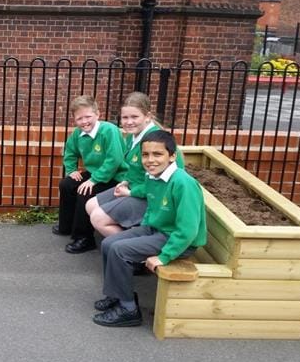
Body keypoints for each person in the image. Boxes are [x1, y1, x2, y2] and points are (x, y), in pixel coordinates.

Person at [92, 130, 206, 327]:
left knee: (120, 250)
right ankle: (117, 294)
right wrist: (141, 228)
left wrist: (164, 256)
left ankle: (128, 310)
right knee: (110, 243)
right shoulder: (153, 177)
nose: (150, 160)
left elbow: (188, 230)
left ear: (172, 156)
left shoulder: (183, 183)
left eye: (157, 154)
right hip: (156, 230)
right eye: (145, 155)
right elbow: (149, 202)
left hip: (176, 240)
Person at [86, 92, 183, 237]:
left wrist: (130, 193)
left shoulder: (155, 142)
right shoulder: (133, 136)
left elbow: (163, 184)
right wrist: (126, 181)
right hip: (135, 188)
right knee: (91, 205)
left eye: (134, 117)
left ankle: (132, 248)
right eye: (125, 117)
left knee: (98, 218)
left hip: (153, 199)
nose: (129, 122)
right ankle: (127, 236)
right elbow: (136, 169)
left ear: (148, 117)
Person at [52, 95, 128, 254]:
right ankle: (67, 225)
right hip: (96, 174)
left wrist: (94, 180)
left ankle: (84, 238)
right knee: (66, 184)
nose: (84, 121)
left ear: (98, 114)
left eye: (88, 116)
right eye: (79, 118)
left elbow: (114, 160)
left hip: (116, 177)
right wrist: (72, 170)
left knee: (85, 191)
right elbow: (70, 152)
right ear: (74, 120)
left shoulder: (109, 130)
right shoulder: (77, 134)